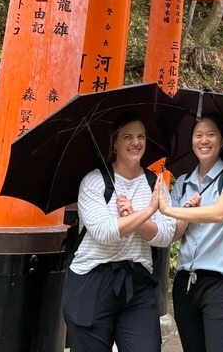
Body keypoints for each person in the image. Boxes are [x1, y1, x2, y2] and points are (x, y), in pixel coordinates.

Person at [62, 112, 176, 352]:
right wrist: (147, 213)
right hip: (92, 280)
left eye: (141, 136)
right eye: (127, 137)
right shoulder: (94, 182)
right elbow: (104, 232)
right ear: (114, 142)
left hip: (136, 282)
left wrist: (135, 215)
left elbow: (165, 234)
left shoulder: (154, 183)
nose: (136, 143)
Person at [157, 113, 223, 352]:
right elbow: (173, 234)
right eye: (198, 135)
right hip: (186, 283)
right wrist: (184, 213)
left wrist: (172, 210)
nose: (204, 140)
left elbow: (219, 212)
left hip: (220, 283)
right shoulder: (184, 183)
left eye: (211, 134)